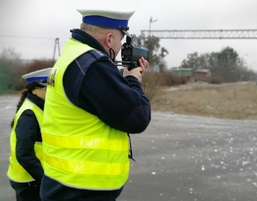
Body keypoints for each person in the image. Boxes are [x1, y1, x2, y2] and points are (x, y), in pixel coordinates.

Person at [40, 7, 151, 201]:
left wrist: (123, 78)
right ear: (109, 39)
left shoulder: (73, 56)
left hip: (65, 182)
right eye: (120, 40)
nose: (120, 49)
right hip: (81, 188)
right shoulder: (93, 65)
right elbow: (138, 118)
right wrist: (133, 80)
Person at [7, 68, 52, 201]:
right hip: (29, 181)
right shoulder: (29, 114)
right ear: (36, 89)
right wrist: (44, 179)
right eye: (48, 88)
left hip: (33, 179)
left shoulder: (39, 107)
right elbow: (24, 154)